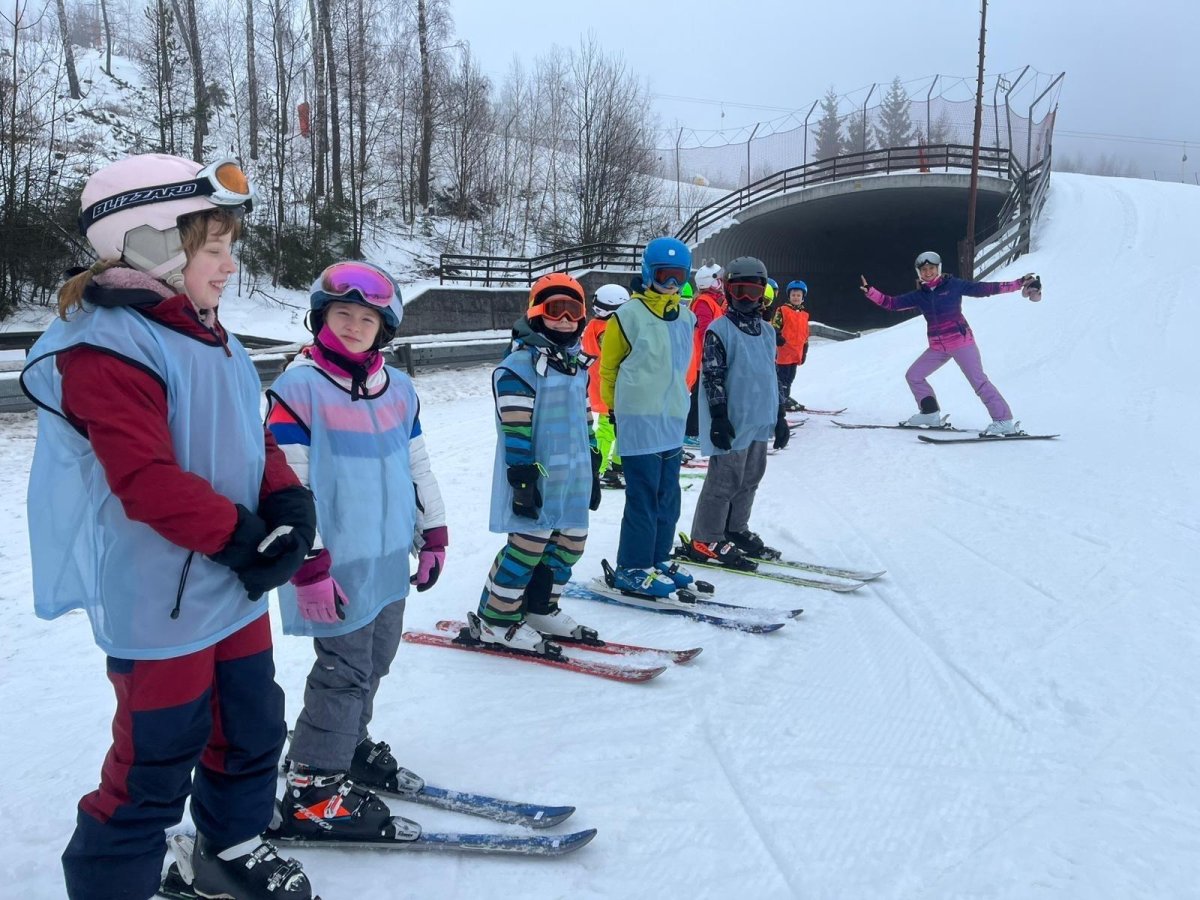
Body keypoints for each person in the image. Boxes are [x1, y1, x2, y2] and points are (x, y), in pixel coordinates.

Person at [20, 154, 318, 900]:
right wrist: (246, 539)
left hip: (230, 584)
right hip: (164, 599)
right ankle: (112, 882)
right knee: (156, 757)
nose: (230, 267)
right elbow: (145, 478)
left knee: (251, 725)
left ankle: (230, 845)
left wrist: (287, 502)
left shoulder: (211, 335)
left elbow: (249, 437)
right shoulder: (106, 348)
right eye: (213, 249)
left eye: (229, 248)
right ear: (150, 243)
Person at [263, 261, 449, 840]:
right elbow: (287, 480)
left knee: (377, 660)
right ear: (320, 318)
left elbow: (416, 466)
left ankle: (345, 744)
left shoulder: (400, 389)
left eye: (366, 319)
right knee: (342, 670)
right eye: (341, 313)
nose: (352, 325)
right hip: (335, 563)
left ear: (383, 329)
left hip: (388, 556)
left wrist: (434, 532)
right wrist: (308, 562)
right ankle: (314, 784)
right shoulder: (298, 388)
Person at [472, 272, 602, 651]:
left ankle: (540, 607)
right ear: (536, 313)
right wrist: (523, 479)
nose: (564, 319)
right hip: (536, 475)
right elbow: (516, 428)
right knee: (527, 547)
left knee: (571, 544)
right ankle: (496, 618)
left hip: (572, 476)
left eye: (572, 310)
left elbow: (585, 417)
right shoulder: (518, 367)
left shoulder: (577, 364)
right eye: (554, 309)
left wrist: (593, 463)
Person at [599, 237, 698, 598]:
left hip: (671, 418)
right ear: (647, 274)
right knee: (643, 496)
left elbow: (684, 367)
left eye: (678, 277)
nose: (670, 284)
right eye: (663, 275)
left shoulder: (687, 317)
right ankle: (632, 566)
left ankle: (657, 558)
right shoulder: (628, 316)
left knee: (668, 496)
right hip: (639, 418)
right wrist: (615, 409)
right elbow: (608, 368)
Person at [682, 257, 790, 568]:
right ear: (728, 291)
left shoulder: (767, 331)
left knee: (751, 477)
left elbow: (772, 375)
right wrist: (718, 416)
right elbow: (712, 375)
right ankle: (706, 537)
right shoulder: (720, 329)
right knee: (724, 480)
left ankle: (734, 528)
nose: (745, 298)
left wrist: (780, 415)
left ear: (762, 294)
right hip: (731, 419)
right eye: (739, 291)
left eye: (753, 292)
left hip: (759, 418)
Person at [860, 251, 1040, 434]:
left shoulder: (953, 285)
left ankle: (1004, 421)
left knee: (978, 381)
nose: (928, 272)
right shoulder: (920, 295)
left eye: (931, 268)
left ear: (938, 269)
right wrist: (871, 292)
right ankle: (929, 414)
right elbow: (892, 303)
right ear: (919, 273)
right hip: (938, 347)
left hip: (962, 342)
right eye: (924, 270)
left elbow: (984, 288)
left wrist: (1018, 283)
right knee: (914, 375)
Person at [582, 283, 629, 489]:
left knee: (619, 428)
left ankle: (617, 465)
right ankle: (600, 469)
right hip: (610, 386)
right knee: (608, 429)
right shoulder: (608, 328)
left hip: (602, 384)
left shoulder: (594, 325)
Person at [684, 262, 725, 448]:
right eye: (719, 280)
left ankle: (696, 429)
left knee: (703, 395)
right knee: (698, 396)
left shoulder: (714, 301)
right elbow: (704, 330)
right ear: (710, 282)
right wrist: (710, 352)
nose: (721, 283)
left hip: (709, 357)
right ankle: (690, 432)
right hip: (703, 358)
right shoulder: (703, 302)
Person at [772, 279, 811, 412]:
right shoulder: (783, 310)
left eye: (798, 295)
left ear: (803, 297)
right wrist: (777, 336)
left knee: (790, 378)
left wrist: (804, 350)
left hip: (795, 353)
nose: (796, 297)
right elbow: (775, 325)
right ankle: (781, 400)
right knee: (782, 378)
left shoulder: (805, 315)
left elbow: (805, 334)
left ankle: (786, 397)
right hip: (784, 352)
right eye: (793, 295)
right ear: (789, 296)